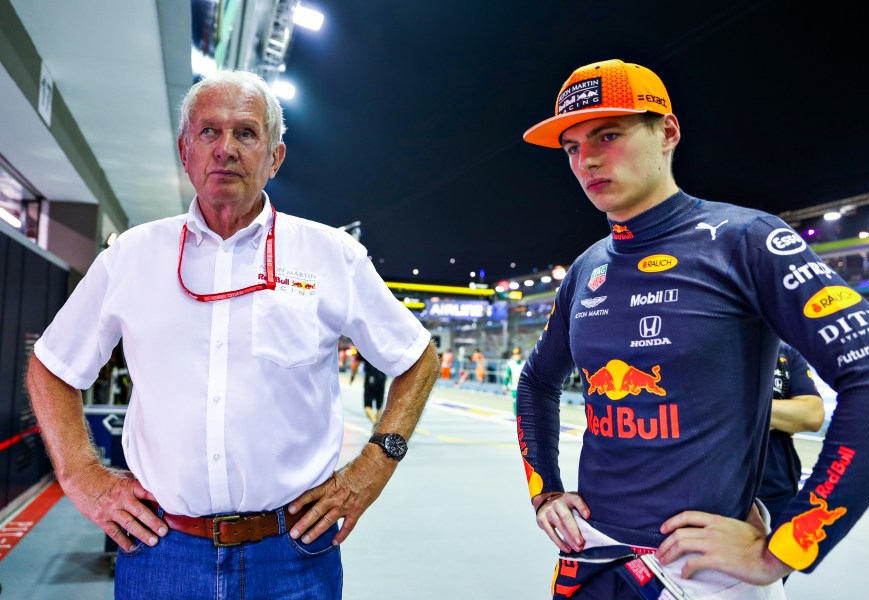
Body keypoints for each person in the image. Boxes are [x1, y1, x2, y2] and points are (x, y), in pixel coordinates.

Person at [26, 70, 438, 600]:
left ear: (275, 157)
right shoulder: (131, 256)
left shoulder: (330, 255)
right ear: (185, 151)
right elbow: (52, 365)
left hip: (292, 555)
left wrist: (376, 464)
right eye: (208, 132)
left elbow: (417, 358)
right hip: (161, 552)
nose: (226, 149)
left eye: (246, 133)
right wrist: (80, 472)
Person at [515, 58, 869, 598]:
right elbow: (535, 383)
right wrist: (545, 493)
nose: (588, 160)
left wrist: (788, 544)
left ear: (667, 132)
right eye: (572, 147)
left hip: (702, 574)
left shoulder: (745, 239)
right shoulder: (586, 268)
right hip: (591, 557)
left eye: (609, 134)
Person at [759, 342, 825, 526]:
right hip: (714, 490)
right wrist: (781, 415)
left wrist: (740, 411)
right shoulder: (702, 346)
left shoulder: (785, 354)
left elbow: (812, 415)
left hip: (776, 491)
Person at [350, 352, 388, 428]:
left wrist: (352, 377)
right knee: (379, 407)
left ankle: (375, 425)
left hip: (371, 378)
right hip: (382, 377)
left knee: (367, 407)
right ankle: (378, 429)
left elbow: (356, 364)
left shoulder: (363, 346)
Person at [503, 347, 525, 413]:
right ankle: (516, 416)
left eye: (518, 354)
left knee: (523, 403)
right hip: (514, 387)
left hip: (523, 387)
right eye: (515, 354)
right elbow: (507, 375)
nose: (517, 356)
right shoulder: (511, 364)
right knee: (516, 402)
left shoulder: (524, 363)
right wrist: (505, 384)